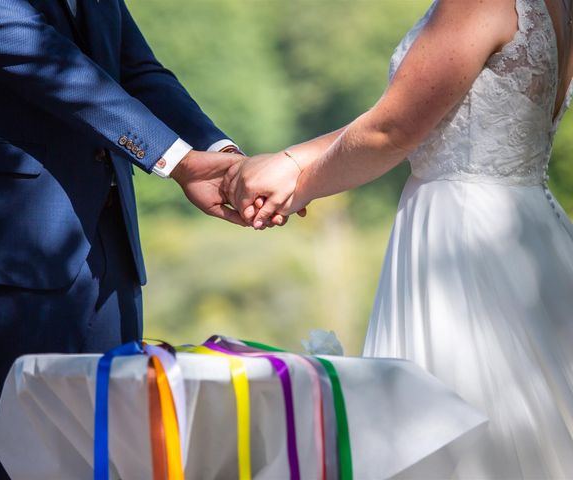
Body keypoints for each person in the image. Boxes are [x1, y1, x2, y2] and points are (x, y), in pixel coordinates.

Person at [227, 0, 573, 477]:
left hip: (462, 246)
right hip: (526, 227)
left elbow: (393, 131)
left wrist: (294, 187)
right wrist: (292, 161)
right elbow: (413, 116)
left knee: (458, 435)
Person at [0, 0, 255, 477]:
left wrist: (223, 157)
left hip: (110, 244)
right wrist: (176, 160)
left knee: (114, 453)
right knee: (12, 458)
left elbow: (138, 69)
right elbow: (42, 59)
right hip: (10, 248)